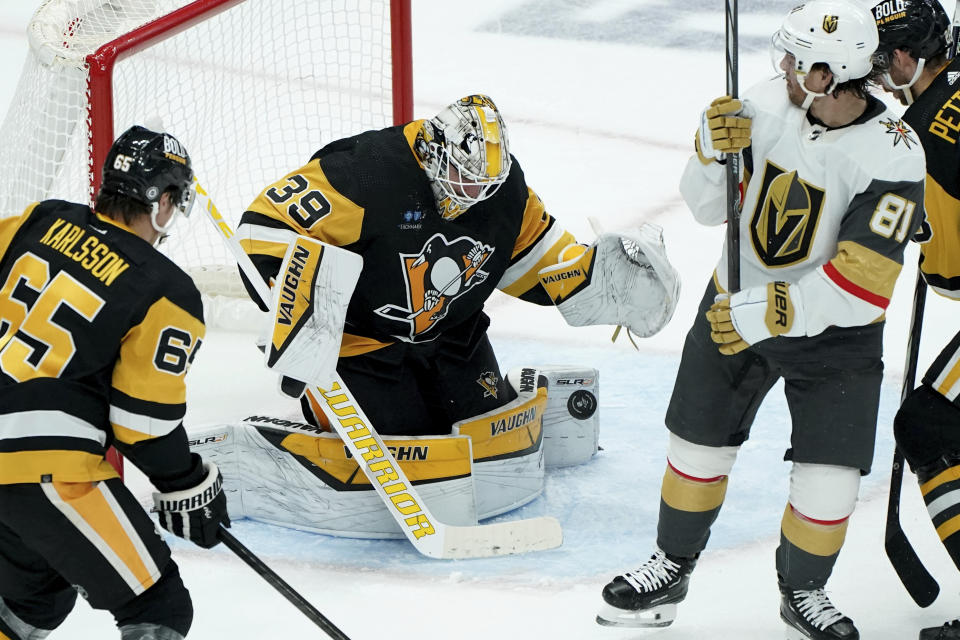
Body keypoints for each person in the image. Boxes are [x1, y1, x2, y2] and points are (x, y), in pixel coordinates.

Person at [596, 1, 926, 638]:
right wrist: (709, 153)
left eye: (796, 62)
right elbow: (703, 208)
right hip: (734, 302)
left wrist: (775, 312)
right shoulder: (766, 102)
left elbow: (863, 285)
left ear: (828, 75)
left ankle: (802, 593)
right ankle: (671, 565)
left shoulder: (895, 154)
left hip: (835, 338)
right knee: (695, 445)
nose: (781, 67)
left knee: (829, 484)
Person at [236, 93, 679, 440]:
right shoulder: (366, 175)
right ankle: (323, 402)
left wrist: (596, 280)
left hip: (454, 334)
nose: (474, 194)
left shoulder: (505, 191)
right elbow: (264, 225)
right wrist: (294, 303)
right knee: (402, 439)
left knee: (485, 429)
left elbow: (540, 257)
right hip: (363, 343)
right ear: (433, 153)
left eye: (486, 184)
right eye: (465, 179)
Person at [0, 126, 230, 640]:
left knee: (34, 598)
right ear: (163, 201)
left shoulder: (36, 220)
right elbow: (141, 423)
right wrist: (186, 483)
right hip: (45, 466)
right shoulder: (166, 290)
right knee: (158, 606)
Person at [872, 2, 960, 638]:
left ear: (905, 60)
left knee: (926, 424)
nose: (873, 74)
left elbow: (946, 272)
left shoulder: (921, 144)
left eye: (879, 61)